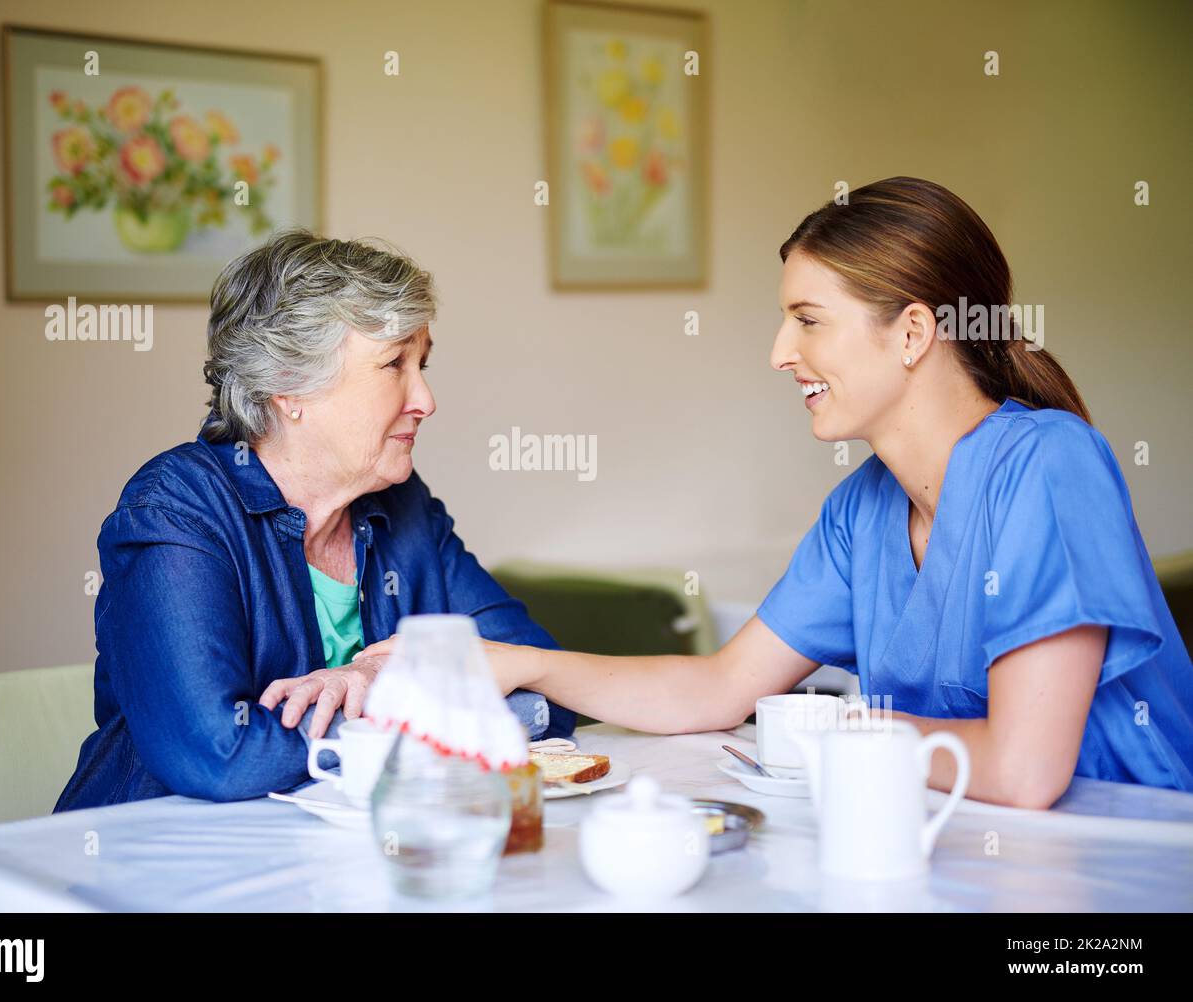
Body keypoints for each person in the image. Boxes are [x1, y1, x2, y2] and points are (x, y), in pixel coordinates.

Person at [333, 178, 1193, 808]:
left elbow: (1022, 771)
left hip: (1132, 854)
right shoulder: (864, 510)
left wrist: (836, 733)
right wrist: (519, 664)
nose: (780, 352)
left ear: (915, 332)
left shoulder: (1048, 466)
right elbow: (715, 690)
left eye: (808, 320)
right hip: (973, 849)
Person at [55, 230, 574, 810]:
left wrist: (380, 686)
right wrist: (422, 707)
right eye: (393, 364)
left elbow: (543, 697)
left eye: (421, 364)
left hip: (337, 860)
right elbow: (220, 758)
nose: (425, 399)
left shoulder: (404, 509)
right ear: (289, 388)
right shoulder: (176, 509)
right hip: (156, 870)